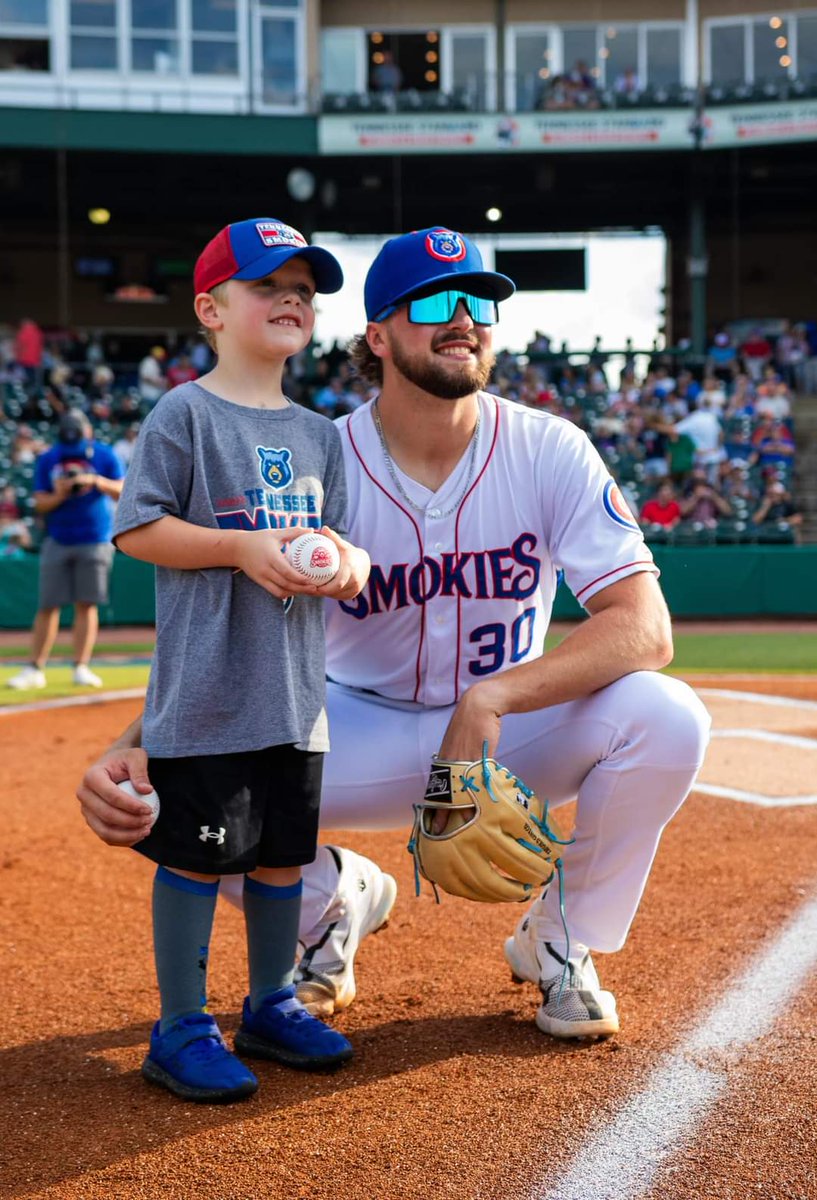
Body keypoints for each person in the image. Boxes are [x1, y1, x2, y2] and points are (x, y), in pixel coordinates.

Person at [77, 226, 711, 1045]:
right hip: (349, 724)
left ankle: (560, 938)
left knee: (666, 716)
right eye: (435, 303)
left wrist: (492, 701)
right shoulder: (316, 456)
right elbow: (224, 627)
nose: (465, 320)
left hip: (501, 732)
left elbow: (643, 629)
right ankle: (331, 906)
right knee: (160, 792)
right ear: (376, 335)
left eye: (481, 302)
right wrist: (134, 742)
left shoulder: (549, 447)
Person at [104, 216, 371, 1104]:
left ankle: (271, 1002)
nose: (291, 298)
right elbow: (138, 528)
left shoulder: (323, 434)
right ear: (211, 308)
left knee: (281, 857)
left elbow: (348, 545)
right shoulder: (184, 411)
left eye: (303, 287)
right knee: (197, 856)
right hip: (209, 690)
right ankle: (180, 1022)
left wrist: (346, 566)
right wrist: (241, 549)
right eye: (268, 284)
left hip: (294, 695)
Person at [7, 409, 124, 691]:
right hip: (58, 538)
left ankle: (81, 666)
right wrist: (60, 493)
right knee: (48, 605)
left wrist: (95, 481)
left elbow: (125, 490)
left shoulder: (105, 455)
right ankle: (35, 668)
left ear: (89, 435)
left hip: (95, 537)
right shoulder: (49, 457)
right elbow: (38, 503)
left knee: (87, 603)